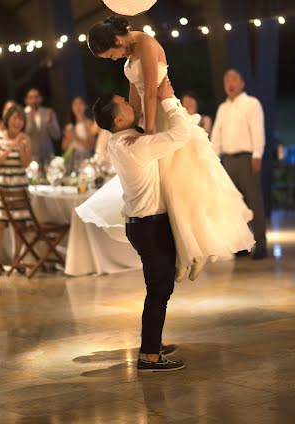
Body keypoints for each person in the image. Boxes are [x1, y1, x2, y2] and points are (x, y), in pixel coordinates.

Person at [82, 16, 254, 281]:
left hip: (165, 114)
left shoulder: (147, 45)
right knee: (167, 191)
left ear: (117, 40)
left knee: (184, 186)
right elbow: (135, 97)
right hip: (149, 118)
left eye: (111, 54)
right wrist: (133, 128)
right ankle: (186, 251)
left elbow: (151, 92)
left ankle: (199, 249)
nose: (114, 59)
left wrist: (148, 132)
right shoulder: (129, 54)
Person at [93, 77, 189, 371]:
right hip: (150, 226)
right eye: (124, 103)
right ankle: (149, 355)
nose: (129, 102)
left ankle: (153, 341)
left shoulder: (116, 140)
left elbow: (136, 106)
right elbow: (182, 133)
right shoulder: (138, 146)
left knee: (158, 286)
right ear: (119, 118)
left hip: (139, 224)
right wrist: (170, 99)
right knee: (159, 289)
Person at [210, 69, 267, 260]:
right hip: (227, 161)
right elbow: (216, 136)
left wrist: (257, 155)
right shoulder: (223, 108)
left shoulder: (251, 104)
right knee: (232, 206)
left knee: (253, 202)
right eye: (227, 80)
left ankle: (261, 244)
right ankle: (240, 245)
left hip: (246, 159)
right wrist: (215, 160)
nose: (230, 83)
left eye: (234, 79)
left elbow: (257, 130)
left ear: (242, 83)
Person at [0, 104, 32, 276]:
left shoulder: (25, 138)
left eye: (20, 119)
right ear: (8, 119)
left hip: (18, 184)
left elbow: (26, 163)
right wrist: (11, 147)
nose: (18, 122)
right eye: (15, 118)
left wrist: (21, 146)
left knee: (19, 224)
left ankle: (16, 258)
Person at [24, 88, 60, 169]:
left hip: (48, 157)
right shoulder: (23, 116)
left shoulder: (48, 112)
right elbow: (24, 136)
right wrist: (31, 121)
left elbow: (57, 135)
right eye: (31, 97)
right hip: (32, 159)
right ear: (26, 100)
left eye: (36, 97)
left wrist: (50, 123)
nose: (34, 100)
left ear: (40, 99)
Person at [62, 96, 97, 166]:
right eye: (75, 104)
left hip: (85, 158)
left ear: (85, 106)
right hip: (71, 158)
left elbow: (92, 145)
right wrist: (68, 138)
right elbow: (64, 147)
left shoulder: (89, 123)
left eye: (80, 104)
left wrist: (75, 137)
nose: (78, 107)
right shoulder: (69, 126)